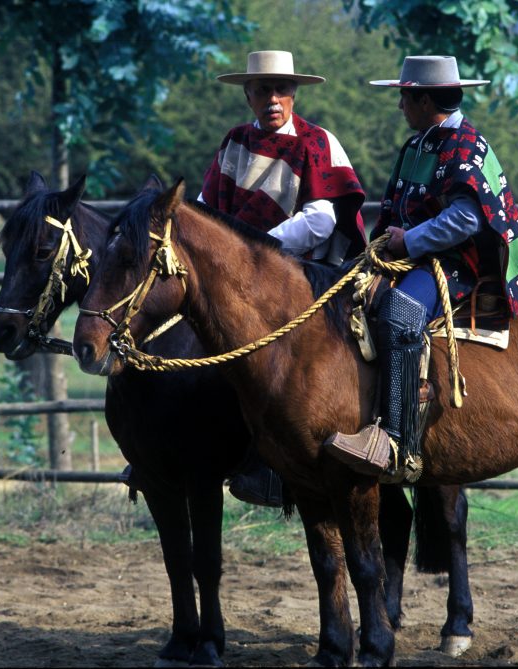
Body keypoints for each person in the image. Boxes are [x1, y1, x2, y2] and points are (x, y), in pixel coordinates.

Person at [323, 55, 518, 479]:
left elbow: (466, 220)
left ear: (425, 100)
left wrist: (410, 240)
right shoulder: (419, 144)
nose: (400, 106)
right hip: (410, 257)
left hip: (457, 262)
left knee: (400, 313)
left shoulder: (466, 145)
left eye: (405, 97)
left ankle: (395, 441)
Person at [199, 50, 367, 505]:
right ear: (248, 96)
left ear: (294, 94)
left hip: (299, 274)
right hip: (231, 278)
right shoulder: (234, 142)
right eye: (262, 90)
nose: (272, 99)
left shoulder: (317, 142)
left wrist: (256, 252)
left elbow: (322, 219)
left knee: (278, 365)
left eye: (281, 90)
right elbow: (206, 207)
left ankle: (276, 463)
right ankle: (166, 449)